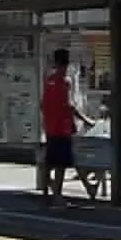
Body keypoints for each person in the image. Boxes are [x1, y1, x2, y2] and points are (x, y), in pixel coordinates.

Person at [40, 47, 92, 207]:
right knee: (61, 165)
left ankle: (48, 190)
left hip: (50, 127)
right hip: (62, 128)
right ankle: (57, 196)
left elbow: (43, 105)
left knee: (50, 162)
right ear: (67, 63)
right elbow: (69, 105)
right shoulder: (65, 81)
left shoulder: (49, 80)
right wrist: (85, 119)